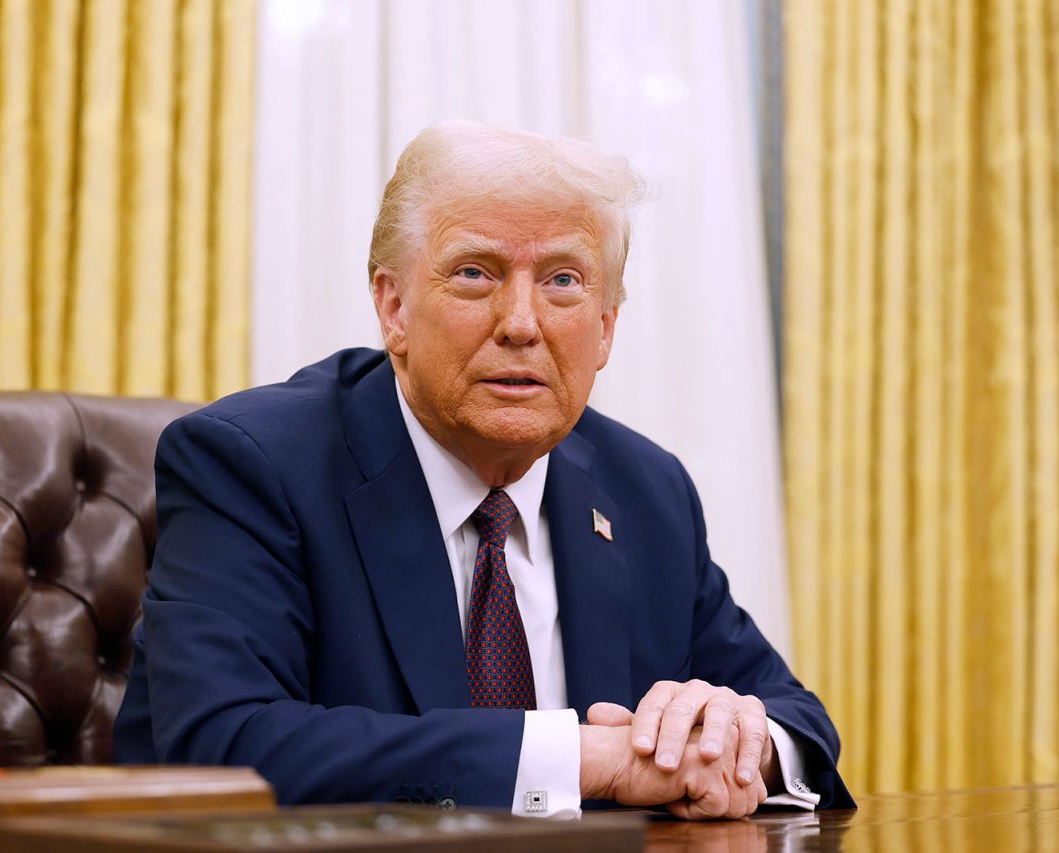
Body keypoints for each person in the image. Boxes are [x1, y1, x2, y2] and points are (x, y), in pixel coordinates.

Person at [114, 121, 852, 818]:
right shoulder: (252, 465)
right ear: (393, 305)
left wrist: (737, 741)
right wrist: (584, 757)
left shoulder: (645, 491)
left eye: (563, 280)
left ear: (604, 329)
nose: (522, 323)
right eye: (475, 272)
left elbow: (799, 722)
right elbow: (222, 748)